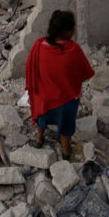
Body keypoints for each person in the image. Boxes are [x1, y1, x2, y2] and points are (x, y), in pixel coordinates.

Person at [24, 10, 94, 160]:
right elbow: (85, 73)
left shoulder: (38, 46)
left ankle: (39, 139)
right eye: (73, 28)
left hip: (43, 99)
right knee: (66, 124)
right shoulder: (73, 50)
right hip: (65, 101)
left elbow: (30, 69)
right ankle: (66, 151)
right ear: (67, 31)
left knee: (41, 117)